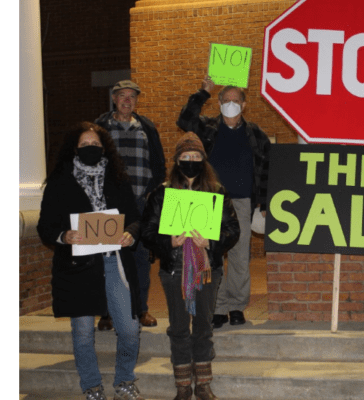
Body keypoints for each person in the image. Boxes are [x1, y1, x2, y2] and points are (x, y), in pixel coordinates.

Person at [37, 122, 145, 400]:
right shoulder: (59, 182)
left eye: (95, 144)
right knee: (83, 332)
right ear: (74, 148)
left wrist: (131, 234)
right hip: (78, 268)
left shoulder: (117, 178)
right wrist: (64, 235)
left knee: (130, 329)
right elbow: (45, 227)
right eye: (84, 145)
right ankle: (92, 387)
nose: (90, 148)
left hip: (114, 262)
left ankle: (124, 381)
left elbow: (134, 217)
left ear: (104, 146)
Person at [142, 132, 240, 400]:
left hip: (207, 270)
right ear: (177, 161)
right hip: (174, 271)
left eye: (196, 157)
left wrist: (211, 241)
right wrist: (168, 242)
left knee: (204, 327)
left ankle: (204, 384)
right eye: (185, 157)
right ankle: (183, 385)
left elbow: (233, 229)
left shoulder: (217, 192)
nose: (191, 161)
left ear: (204, 161)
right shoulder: (162, 193)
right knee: (179, 327)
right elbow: (147, 231)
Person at [177, 76, 271, 329]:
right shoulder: (207, 128)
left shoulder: (256, 134)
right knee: (210, 255)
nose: (231, 104)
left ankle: (237, 307)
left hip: (241, 202)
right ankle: (217, 308)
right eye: (226, 100)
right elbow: (184, 120)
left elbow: (265, 170)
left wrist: (263, 202)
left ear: (244, 104)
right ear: (219, 103)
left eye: (236, 100)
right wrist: (203, 91)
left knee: (240, 257)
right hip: (208, 200)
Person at [95, 80, 166, 329]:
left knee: (140, 260)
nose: (127, 100)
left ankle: (141, 309)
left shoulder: (147, 127)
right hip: (107, 205)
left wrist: (153, 194)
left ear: (136, 102)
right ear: (114, 99)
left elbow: (159, 165)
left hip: (139, 204)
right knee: (107, 259)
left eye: (132, 97)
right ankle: (107, 313)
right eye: (122, 96)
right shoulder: (99, 127)